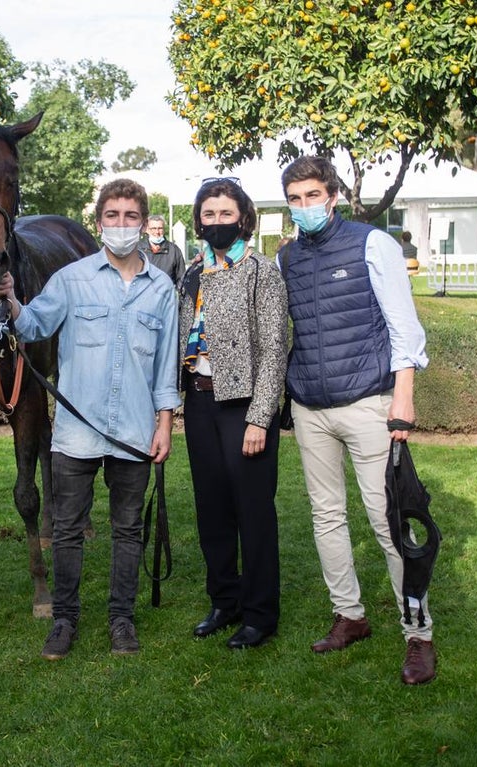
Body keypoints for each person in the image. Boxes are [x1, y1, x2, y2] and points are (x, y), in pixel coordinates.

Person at [0, 178, 179, 660]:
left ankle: (122, 619)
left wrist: (164, 425)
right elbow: (32, 325)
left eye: (130, 217)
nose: (121, 225)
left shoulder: (163, 291)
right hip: (76, 434)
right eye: (112, 216)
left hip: (135, 432)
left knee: (127, 530)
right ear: (99, 224)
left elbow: (165, 369)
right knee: (68, 529)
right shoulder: (71, 280)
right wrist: (9, 300)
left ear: (143, 222)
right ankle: (65, 619)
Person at [280, 156, 436, 685]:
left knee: (388, 521)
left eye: (312, 196)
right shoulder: (287, 260)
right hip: (309, 406)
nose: (305, 207)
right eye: (295, 199)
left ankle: (418, 633)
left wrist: (403, 396)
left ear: (334, 195)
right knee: (326, 517)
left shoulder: (373, 244)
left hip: (370, 401)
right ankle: (349, 615)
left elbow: (402, 324)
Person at [178, 179, 288, 650]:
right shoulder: (192, 271)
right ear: (198, 220)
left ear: (243, 217)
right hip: (200, 402)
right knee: (212, 510)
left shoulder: (261, 271)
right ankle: (225, 600)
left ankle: (260, 613)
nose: (217, 221)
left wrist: (260, 417)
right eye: (209, 214)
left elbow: (274, 350)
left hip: (243, 406)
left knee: (253, 513)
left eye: (226, 214)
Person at [141, 213, 186, 285]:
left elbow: (181, 278)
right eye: (153, 228)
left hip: (167, 294)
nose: (157, 232)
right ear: (147, 229)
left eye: (160, 228)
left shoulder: (173, 250)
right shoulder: (138, 250)